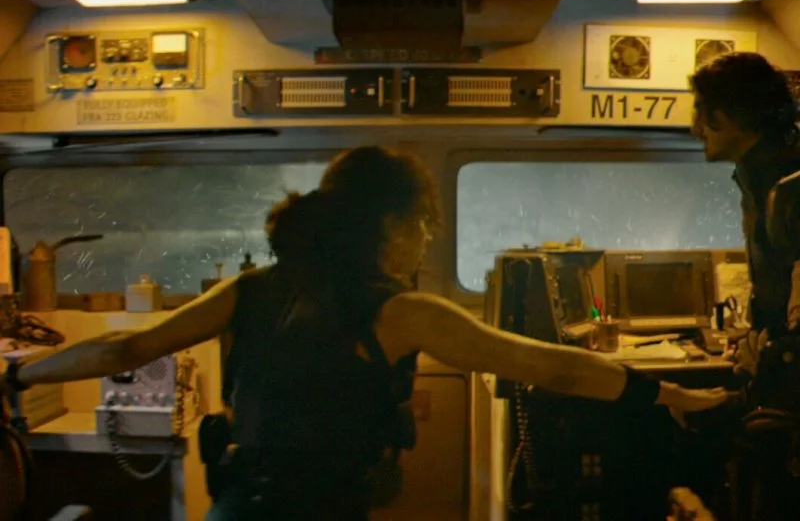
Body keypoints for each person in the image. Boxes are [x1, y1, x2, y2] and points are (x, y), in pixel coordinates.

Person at [0, 146, 727, 520]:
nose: (428, 238)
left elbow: (125, 349)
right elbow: (555, 368)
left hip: (239, 505)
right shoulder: (404, 312)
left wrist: (17, 374)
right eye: (425, 223)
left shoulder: (252, 288)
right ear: (390, 225)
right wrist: (671, 395)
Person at [689, 52, 800, 520]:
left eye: (702, 112)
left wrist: (773, 354)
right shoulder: (762, 179)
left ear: (732, 114)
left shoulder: (789, 190)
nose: (695, 127)